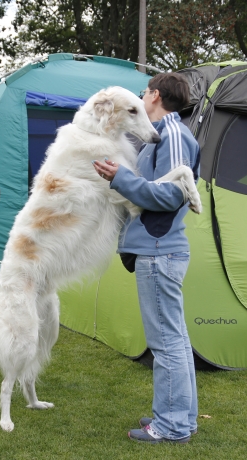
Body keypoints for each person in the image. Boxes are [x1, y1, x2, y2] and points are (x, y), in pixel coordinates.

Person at [92, 73, 200, 443]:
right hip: (160, 251)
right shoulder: (169, 134)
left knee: (166, 343)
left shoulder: (172, 134)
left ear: (154, 95)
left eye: (143, 93)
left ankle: (170, 426)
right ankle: (180, 417)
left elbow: (171, 196)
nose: (140, 98)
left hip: (159, 251)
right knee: (176, 341)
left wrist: (121, 178)